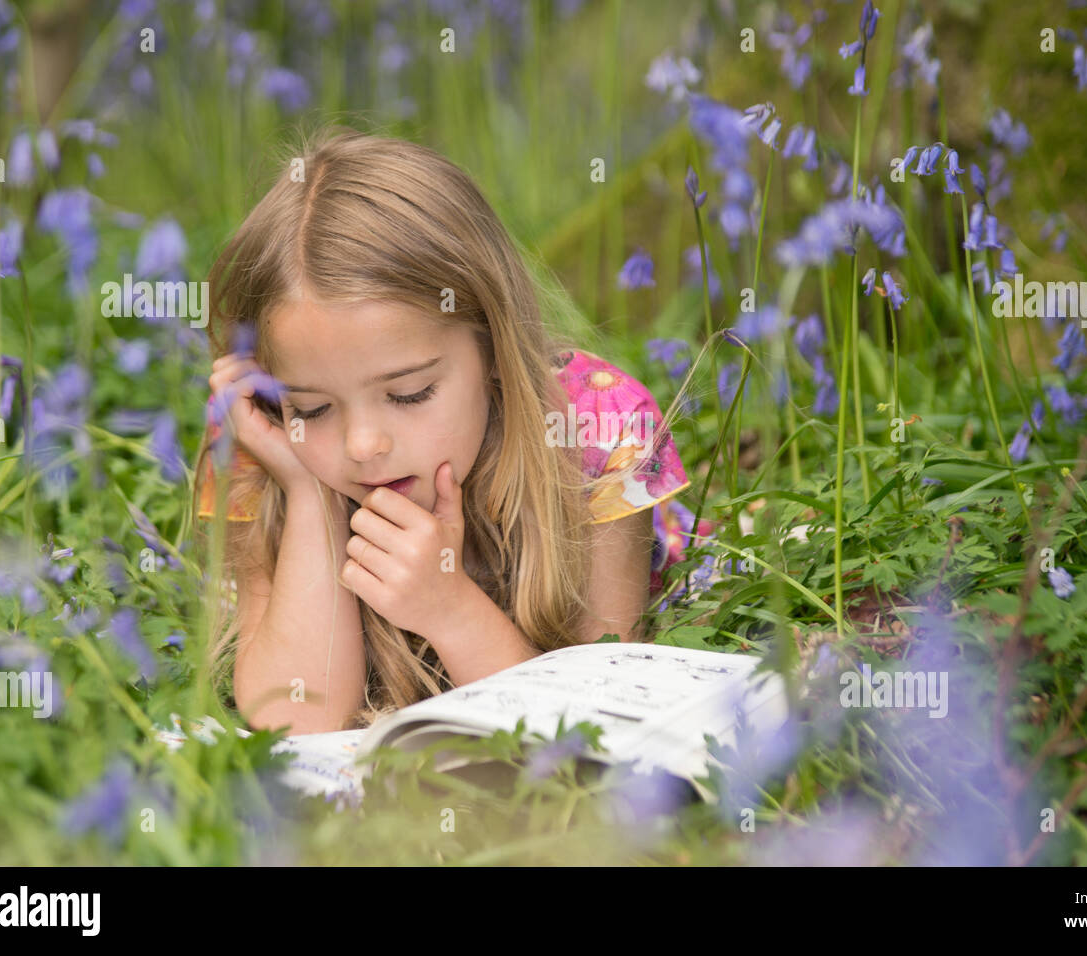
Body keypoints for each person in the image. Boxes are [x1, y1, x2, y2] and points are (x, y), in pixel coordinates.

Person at [192, 127, 715, 736]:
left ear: (493, 348)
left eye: (409, 393)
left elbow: (591, 720)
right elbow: (292, 717)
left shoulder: (598, 430)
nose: (364, 446)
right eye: (313, 408)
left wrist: (449, 608)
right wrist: (308, 498)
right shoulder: (262, 439)